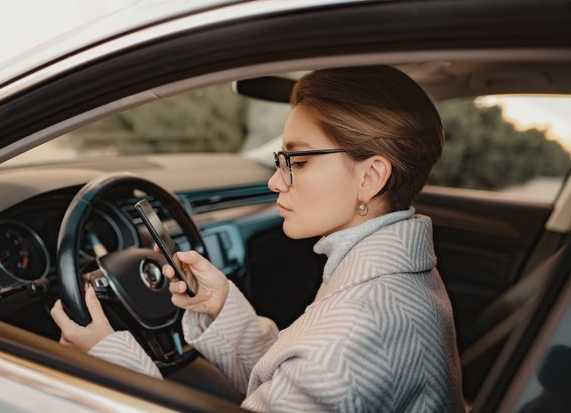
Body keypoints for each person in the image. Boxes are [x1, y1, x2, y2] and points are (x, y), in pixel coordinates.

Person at [51, 65, 465, 412]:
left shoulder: (351, 335)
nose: (273, 181)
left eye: (297, 161)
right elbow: (291, 377)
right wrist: (221, 308)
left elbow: (322, 363)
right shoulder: (399, 278)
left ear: (371, 177)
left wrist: (110, 363)